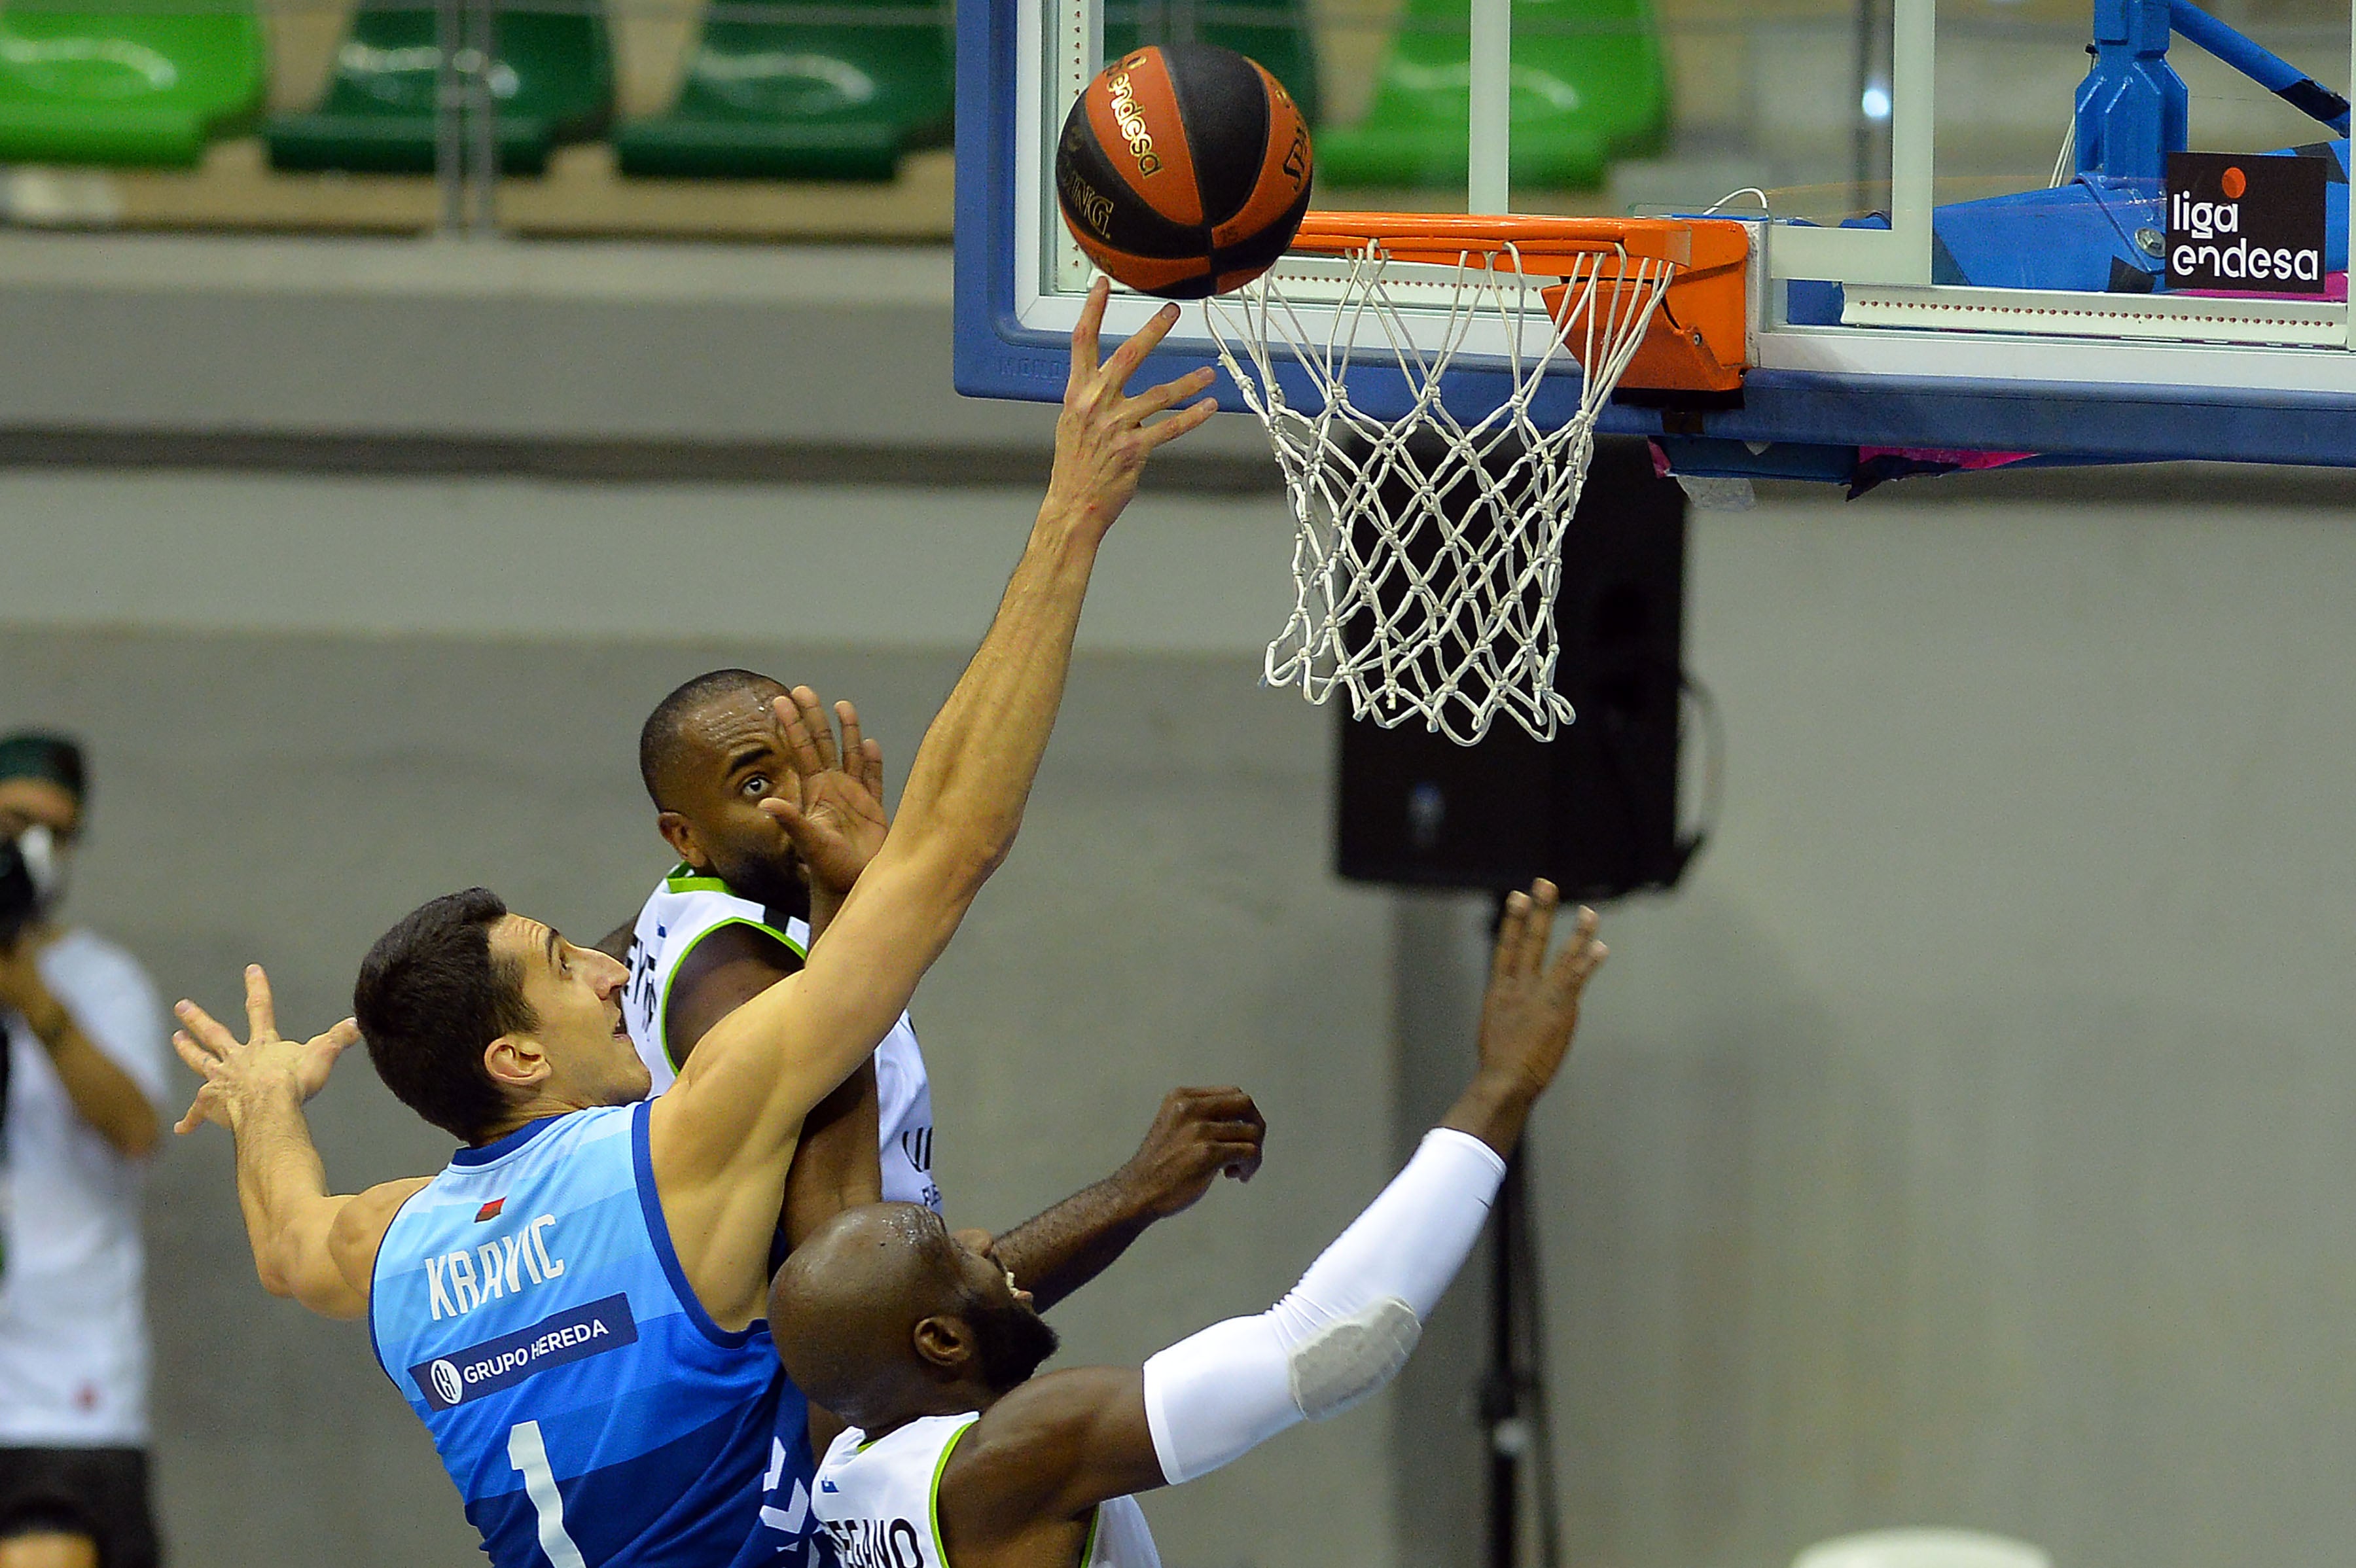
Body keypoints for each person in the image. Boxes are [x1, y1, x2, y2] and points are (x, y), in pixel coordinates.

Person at [169, 284, 1224, 1568]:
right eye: (565, 969)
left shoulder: (395, 1250)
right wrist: (1072, 514)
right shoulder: (672, 1158)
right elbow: (952, 852)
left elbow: (287, 1244)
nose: (612, 974)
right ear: (515, 1057)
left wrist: (266, 1094)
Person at [773, 882, 1607, 1568]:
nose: (987, 1239)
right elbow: (1334, 1345)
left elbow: (857, 1223)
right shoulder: (1015, 1455)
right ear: (941, 1344)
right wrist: (1502, 1088)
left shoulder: (841, 1442)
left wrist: (840, 903)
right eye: (954, 1250)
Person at [613, 674, 1238, 1311]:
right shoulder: (749, 984)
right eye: (755, 785)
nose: (806, 801)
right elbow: (868, 1314)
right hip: (817, 1388)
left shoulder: (682, 902)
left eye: (804, 763)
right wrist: (1134, 1194)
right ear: (685, 835)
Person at [0, 734, 170, 1568]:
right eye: (14, 820)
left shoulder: (102, 981)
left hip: (64, 1395)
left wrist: (34, 998)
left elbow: (137, 1128)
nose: (31, 849)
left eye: (55, 832)